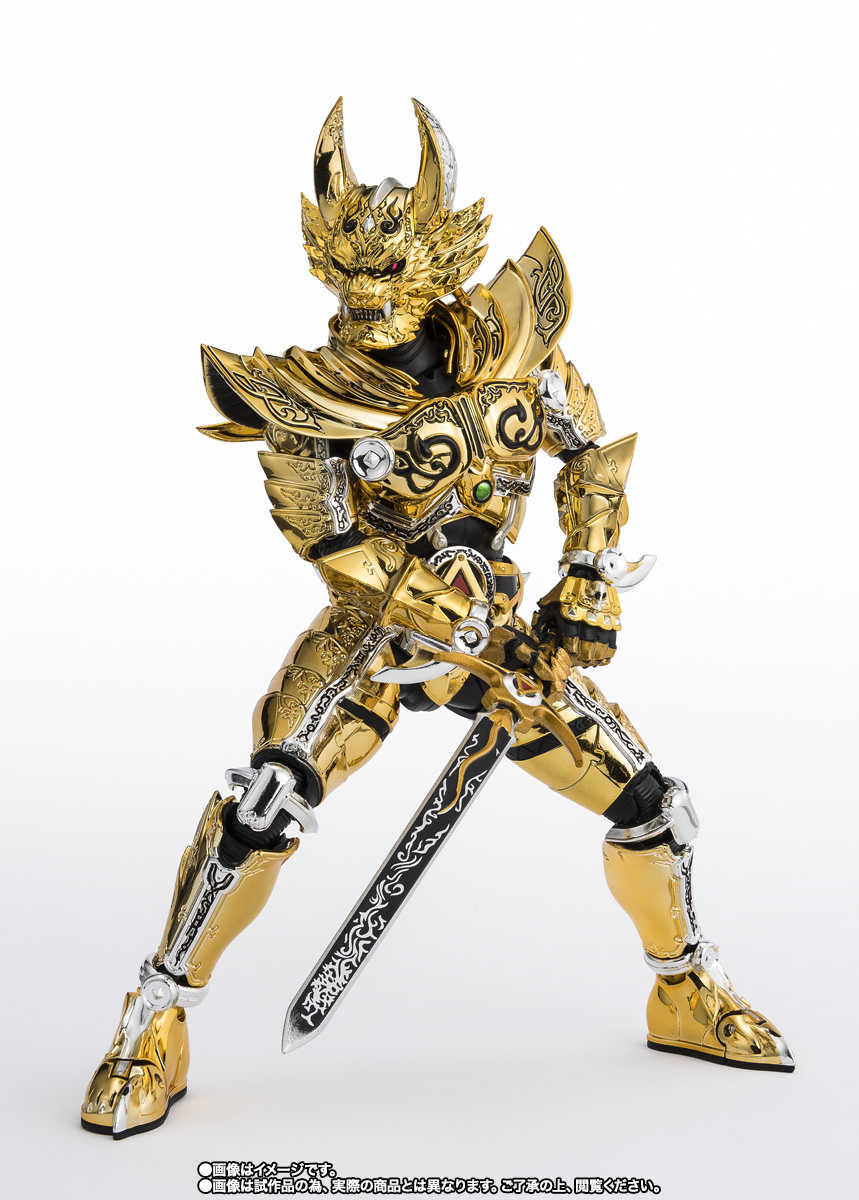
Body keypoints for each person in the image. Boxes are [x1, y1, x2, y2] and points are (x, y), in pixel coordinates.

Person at [81, 97, 794, 1141]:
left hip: (502, 643)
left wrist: (585, 580)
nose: (365, 294)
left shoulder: (516, 351)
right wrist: (434, 607)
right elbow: (330, 540)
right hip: (372, 637)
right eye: (348, 272)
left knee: (655, 810)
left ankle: (683, 987)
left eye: (386, 271)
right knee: (262, 804)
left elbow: (590, 457)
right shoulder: (304, 400)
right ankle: (155, 1016)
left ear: (437, 260)